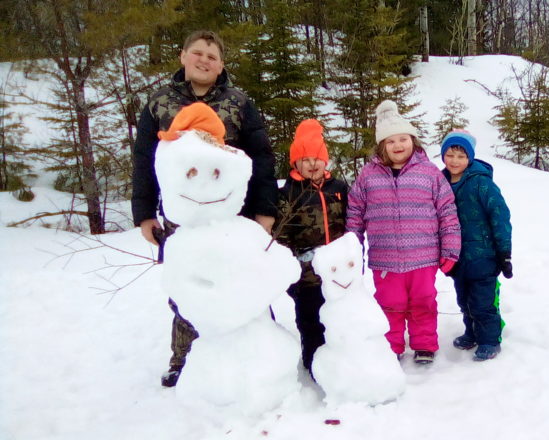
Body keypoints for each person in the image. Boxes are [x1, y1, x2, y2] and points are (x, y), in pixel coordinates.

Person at [131, 30, 277, 387]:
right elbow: (144, 160)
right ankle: (184, 359)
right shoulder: (159, 102)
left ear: (221, 65)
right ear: (183, 56)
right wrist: (145, 212)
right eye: (197, 53)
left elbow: (261, 159)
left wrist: (265, 211)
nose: (204, 61)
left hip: (234, 216)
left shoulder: (239, 101)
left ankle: (263, 356)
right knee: (188, 287)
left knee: (245, 282)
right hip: (183, 219)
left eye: (212, 57)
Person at [346, 100, 461, 365]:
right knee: (389, 304)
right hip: (385, 259)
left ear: (413, 140)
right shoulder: (367, 176)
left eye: (403, 139)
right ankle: (391, 347)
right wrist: (353, 247)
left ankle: (424, 345)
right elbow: (355, 213)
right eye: (391, 141)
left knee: (423, 302)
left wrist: (450, 249)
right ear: (381, 146)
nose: (398, 146)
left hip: (424, 257)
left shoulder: (430, 173)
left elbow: (447, 212)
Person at [274, 119, 348, 375]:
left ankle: (340, 359)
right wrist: (294, 267)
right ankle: (314, 361)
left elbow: (352, 223)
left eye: (316, 157)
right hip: (306, 276)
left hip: (337, 273)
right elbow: (281, 236)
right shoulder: (288, 193)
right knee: (310, 321)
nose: (312, 164)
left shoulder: (338, 188)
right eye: (305, 159)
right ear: (295, 163)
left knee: (339, 319)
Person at [440, 130, 512, 361]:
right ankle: (471, 332)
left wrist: (504, 252)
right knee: (465, 301)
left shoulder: (481, 183)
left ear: (470, 158)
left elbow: (499, 216)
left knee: (483, 303)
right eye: (450, 155)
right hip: (456, 258)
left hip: (484, 256)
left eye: (461, 156)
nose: (455, 161)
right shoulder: (440, 183)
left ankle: (490, 339)